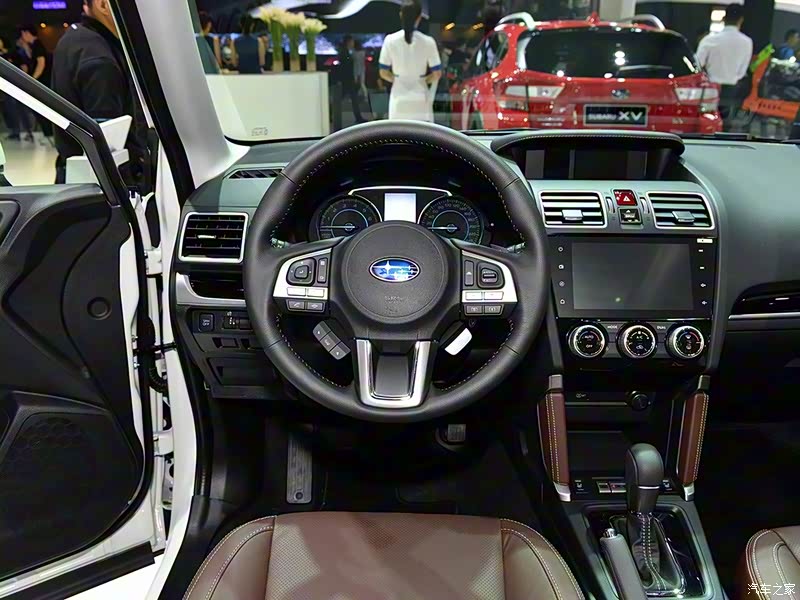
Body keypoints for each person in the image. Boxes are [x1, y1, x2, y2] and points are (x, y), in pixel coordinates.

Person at [51, 0, 147, 186]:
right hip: (99, 185)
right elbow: (108, 144)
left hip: (72, 176)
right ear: (103, 4)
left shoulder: (75, 38)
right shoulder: (100, 60)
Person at [378, 0, 442, 122]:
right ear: (419, 17)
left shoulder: (390, 40)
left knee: (398, 132)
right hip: (420, 97)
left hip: (398, 97)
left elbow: (383, 72)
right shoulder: (428, 42)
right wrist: (423, 80)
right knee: (422, 132)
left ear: (401, 15)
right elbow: (437, 74)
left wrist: (398, 80)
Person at [696, 4, 753, 129]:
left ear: (724, 18)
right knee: (726, 127)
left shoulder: (709, 40)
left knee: (706, 125)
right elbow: (742, 71)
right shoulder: (747, 42)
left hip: (710, 89)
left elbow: (697, 65)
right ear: (741, 20)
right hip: (732, 91)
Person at [19, 24, 54, 144]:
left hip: (42, 82)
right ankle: (47, 134)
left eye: (23, 34)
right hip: (41, 81)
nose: (22, 37)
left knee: (42, 109)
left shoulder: (38, 45)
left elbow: (41, 63)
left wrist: (33, 79)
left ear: (27, 33)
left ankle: (49, 134)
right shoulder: (34, 46)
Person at [339, 35, 367, 124]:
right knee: (344, 98)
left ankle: (358, 117)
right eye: (352, 42)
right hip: (347, 80)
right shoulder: (345, 53)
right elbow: (345, 67)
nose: (353, 43)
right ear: (348, 42)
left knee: (352, 99)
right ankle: (358, 118)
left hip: (348, 80)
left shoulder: (347, 52)